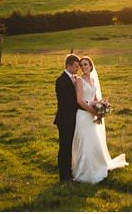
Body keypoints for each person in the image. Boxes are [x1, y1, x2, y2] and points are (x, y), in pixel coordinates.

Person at [72, 56, 128, 183]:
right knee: (85, 142)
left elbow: (95, 98)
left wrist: (102, 107)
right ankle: (83, 170)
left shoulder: (92, 80)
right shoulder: (79, 81)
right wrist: (93, 111)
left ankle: (97, 167)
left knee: (94, 141)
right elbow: (79, 100)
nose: (83, 67)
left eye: (86, 64)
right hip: (83, 115)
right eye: (81, 65)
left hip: (92, 116)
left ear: (91, 66)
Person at [53, 53, 81, 183]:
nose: (78, 69)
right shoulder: (61, 80)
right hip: (65, 120)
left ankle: (69, 173)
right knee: (64, 147)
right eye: (76, 67)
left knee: (70, 147)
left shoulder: (74, 78)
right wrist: (85, 106)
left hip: (73, 119)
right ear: (68, 65)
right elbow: (67, 101)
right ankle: (64, 176)